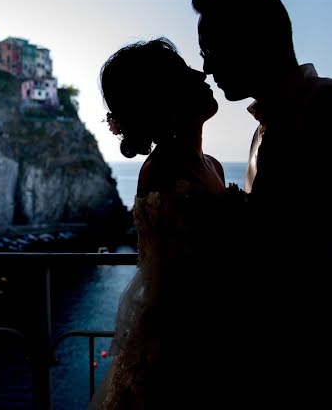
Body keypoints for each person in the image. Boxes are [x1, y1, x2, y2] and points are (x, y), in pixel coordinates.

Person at [192, 0, 332, 408]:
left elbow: (303, 250)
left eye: (211, 50)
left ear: (251, 38)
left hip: (326, 363)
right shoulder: (270, 126)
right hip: (288, 358)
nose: (207, 66)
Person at [89, 38, 237, 409]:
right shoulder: (164, 172)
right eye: (183, 72)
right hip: (185, 355)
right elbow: (182, 286)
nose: (200, 73)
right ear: (163, 98)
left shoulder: (211, 165)